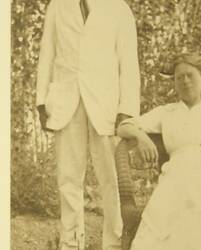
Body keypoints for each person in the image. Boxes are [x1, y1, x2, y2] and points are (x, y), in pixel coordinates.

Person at [36, 0, 140, 249]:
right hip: (66, 100)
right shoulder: (58, 6)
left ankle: (114, 242)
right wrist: (41, 100)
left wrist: (126, 110)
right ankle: (70, 242)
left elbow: (129, 63)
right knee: (68, 177)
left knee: (110, 178)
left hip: (105, 104)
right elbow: (47, 53)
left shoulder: (118, 8)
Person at [117, 52, 201, 250]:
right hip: (176, 172)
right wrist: (142, 137)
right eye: (179, 77)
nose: (185, 81)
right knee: (168, 209)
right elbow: (123, 126)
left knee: (200, 209)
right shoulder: (167, 112)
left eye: (190, 75)